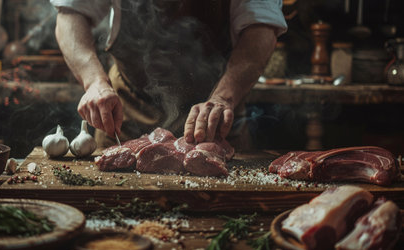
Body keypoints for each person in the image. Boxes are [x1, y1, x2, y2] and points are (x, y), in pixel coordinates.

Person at [51, 0, 287, 147]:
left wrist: (223, 98)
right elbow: (71, 14)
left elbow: (262, 28)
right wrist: (94, 82)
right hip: (127, 114)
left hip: (215, 121)